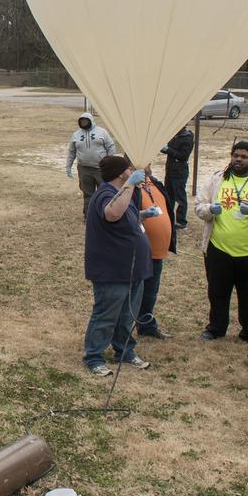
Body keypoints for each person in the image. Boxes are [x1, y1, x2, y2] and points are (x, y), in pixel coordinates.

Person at [195, 141, 248, 347]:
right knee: (217, 292)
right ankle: (216, 328)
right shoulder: (216, 180)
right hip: (219, 248)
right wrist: (210, 209)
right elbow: (199, 207)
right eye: (235, 155)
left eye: (244, 157)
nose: (238, 159)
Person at [82, 155, 153, 376]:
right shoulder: (105, 193)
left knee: (127, 314)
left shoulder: (121, 193)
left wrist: (141, 215)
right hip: (112, 270)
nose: (132, 172)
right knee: (106, 315)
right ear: (122, 173)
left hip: (131, 269)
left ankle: (125, 351)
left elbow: (122, 215)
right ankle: (94, 356)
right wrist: (131, 185)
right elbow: (112, 214)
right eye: (129, 171)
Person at [134, 165, 176, 340]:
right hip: (138, 250)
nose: (146, 167)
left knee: (150, 292)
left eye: (148, 163)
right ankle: (123, 329)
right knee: (134, 292)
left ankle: (146, 326)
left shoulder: (155, 183)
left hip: (157, 251)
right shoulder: (128, 187)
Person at [65, 113, 116, 218]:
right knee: (88, 194)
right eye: (81, 121)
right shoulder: (76, 135)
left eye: (85, 120)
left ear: (91, 120)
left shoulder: (102, 132)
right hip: (84, 169)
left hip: (101, 169)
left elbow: (110, 146)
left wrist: (109, 162)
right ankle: (88, 216)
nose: (83, 123)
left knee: (104, 193)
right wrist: (68, 166)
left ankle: (104, 215)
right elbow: (72, 152)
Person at [160, 124, 195, 228]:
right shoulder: (175, 135)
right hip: (170, 170)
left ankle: (181, 221)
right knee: (168, 196)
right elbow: (170, 150)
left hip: (179, 172)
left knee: (180, 197)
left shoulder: (187, 137)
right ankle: (168, 218)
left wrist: (167, 150)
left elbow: (183, 156)